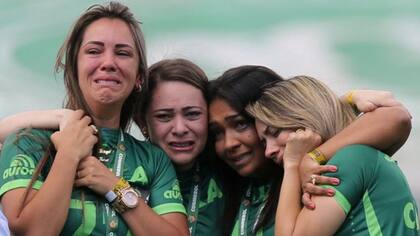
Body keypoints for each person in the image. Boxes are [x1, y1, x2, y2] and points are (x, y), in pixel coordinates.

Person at [0, 2, 188, 235]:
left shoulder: (153, 160)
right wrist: (69, 153)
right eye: (94, 51)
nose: (108, 63)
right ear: (73, 68)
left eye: (122, 53)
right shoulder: (27, 141)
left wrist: (115, 187)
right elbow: (32, 231)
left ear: (139, 76)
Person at [207, 65, 412, 235]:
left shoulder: (348, 160)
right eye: (263, 141)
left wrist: (297, 161)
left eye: (275, 132)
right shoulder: (352, 155)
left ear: (303, 119)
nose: (269, 150)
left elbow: (397, 118)